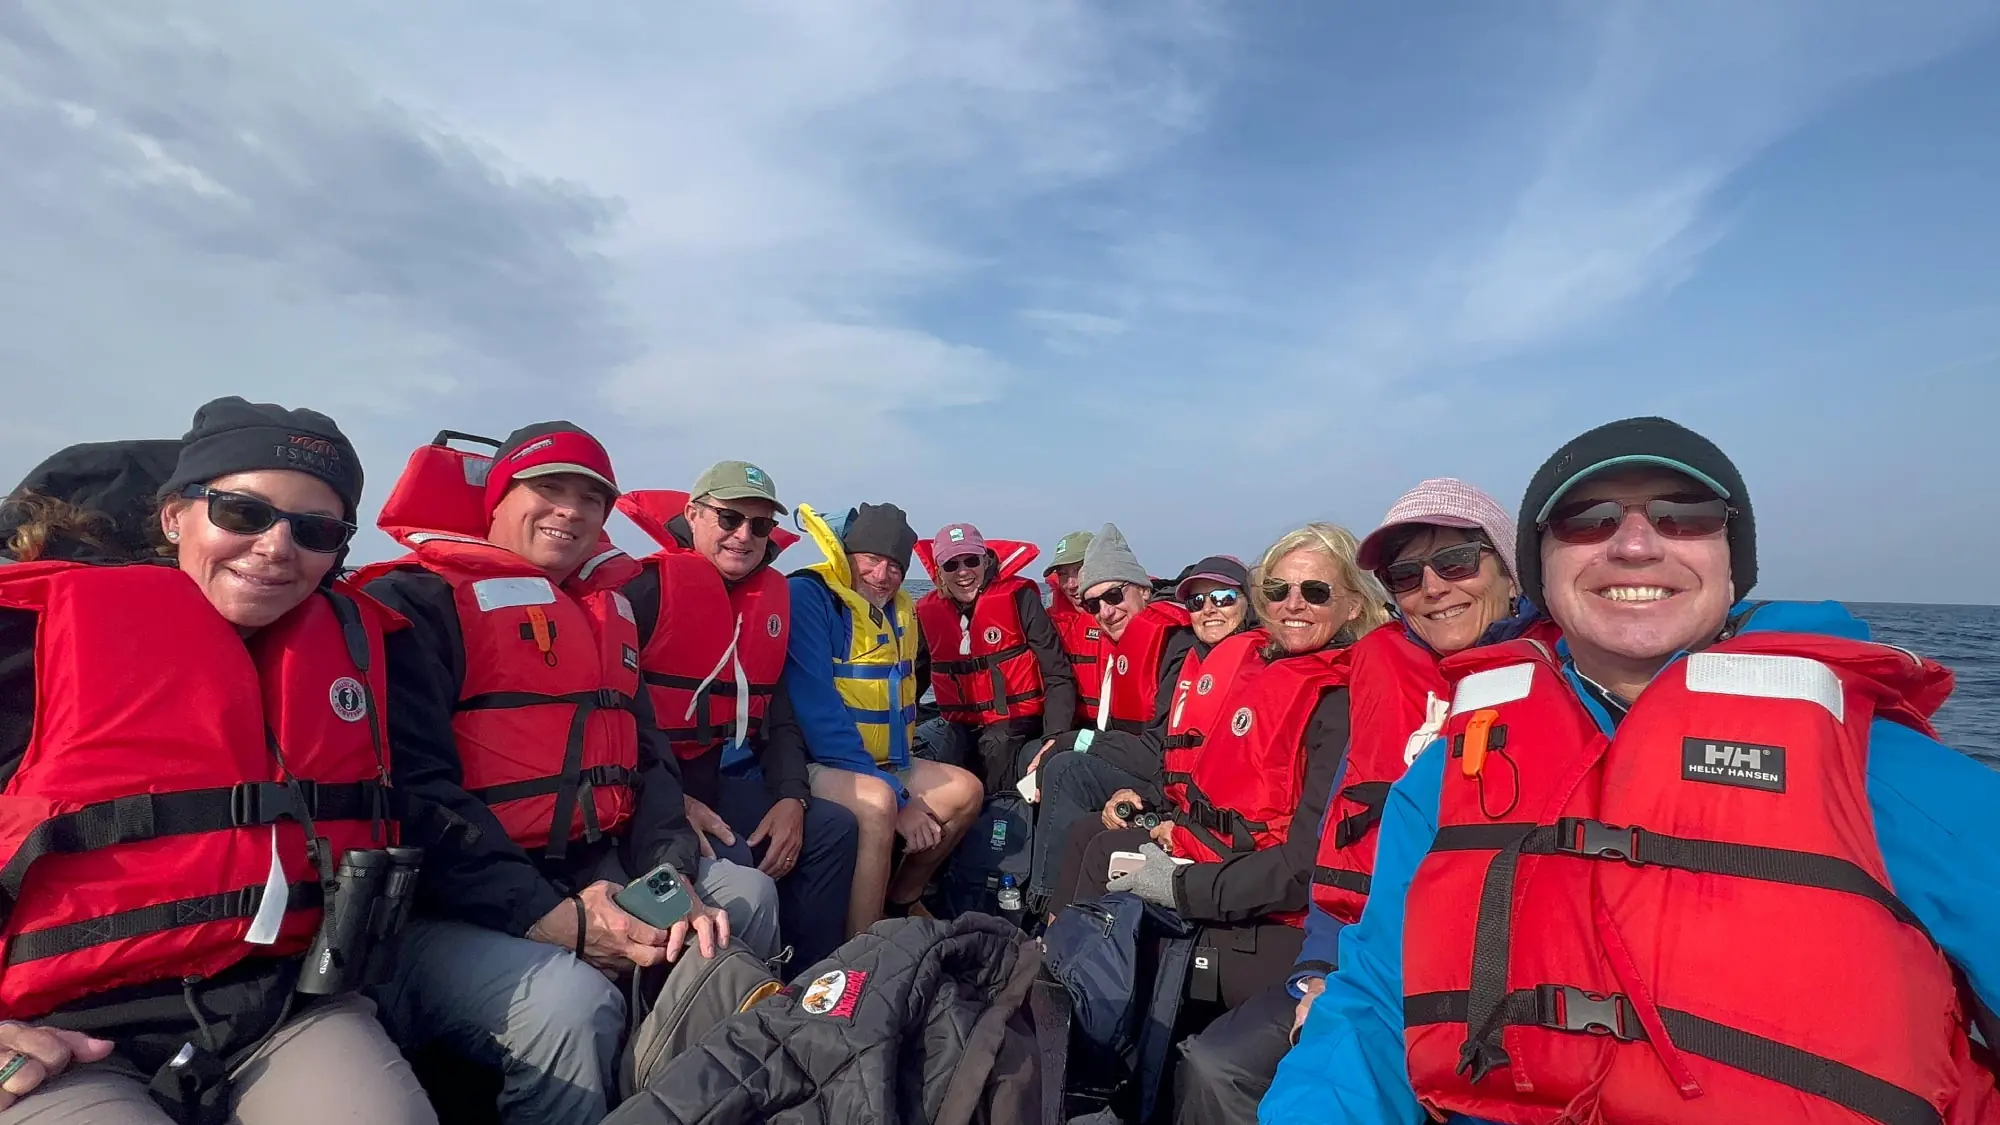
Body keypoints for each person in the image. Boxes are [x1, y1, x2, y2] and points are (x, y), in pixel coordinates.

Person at [1262, 418, 2000, 1125]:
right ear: (1543, 569)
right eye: (1588, 519)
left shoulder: (1880, 768)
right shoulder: (1448, 776)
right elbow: (1374, 1012)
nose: (1637, 544)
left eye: (1685, 514)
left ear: (1732, 560)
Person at [0, 399, 434, 1124]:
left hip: (278, 1003)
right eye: (242, 513)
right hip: (52, 1026)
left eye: (316, 529)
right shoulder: (26, 637)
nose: (275, 546)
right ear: (176, 514)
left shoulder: (358, 649)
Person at [360, 423, 779, 1125]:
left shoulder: (604, 613)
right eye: (547, 489)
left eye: (591, 498)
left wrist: (668, 876)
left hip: (593, 861)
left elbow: (648, 763)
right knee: (570, 1003)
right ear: (496, 498)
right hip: (450, 903)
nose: (571, 511)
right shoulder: (423, 604)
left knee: (748, 892)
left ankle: (695, 1098)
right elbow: (413, 792)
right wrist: (550, 917)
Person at [1178, 481, 1551, 1124]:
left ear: (1513, 576)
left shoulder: (1569, 682)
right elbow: (1338, 842)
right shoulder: (1382, 678)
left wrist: (1181, 889)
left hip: (1500, 986)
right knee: (1219, 1066)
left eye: (1458, 562)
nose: (1434, 586)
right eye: (1407, 573)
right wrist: (1320, 966)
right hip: (1361, 960)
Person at [1050, 525, 1390, 1019]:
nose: (1292, 604)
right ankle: (1063, 979)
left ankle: (1079, 1008)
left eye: (1315, 593)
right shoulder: (1265, 670)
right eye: (1278, 591)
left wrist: (1181, 887)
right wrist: (1172, 824)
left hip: (1278, 915)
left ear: (1354, 606)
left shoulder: (1342, 701)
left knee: (1118, 904)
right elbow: (1224, 786)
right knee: (1105, 853)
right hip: (1223, 859)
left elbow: (1303, 866)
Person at [613, 462, 861, 973]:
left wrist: (792, 796)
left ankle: (809, 978)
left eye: (761, 525)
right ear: (693, 515)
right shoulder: (642, 590)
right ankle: (733, 995)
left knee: (833, 826)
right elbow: (603, 717)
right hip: (638, 793)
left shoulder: (765, 603)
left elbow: (779, 716)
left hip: (709, 785)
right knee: (742, 865)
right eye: (729, 519)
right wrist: (671, 799)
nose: (744, 536)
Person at [783, 502, 984, 933]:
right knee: (879, 804)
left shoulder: (899, 610)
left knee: (966, 791)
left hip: (882, 761)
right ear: (848, 556)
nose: (883, 576)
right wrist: (903, 800)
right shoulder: (810, 597)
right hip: (816, 761)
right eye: (872, 560)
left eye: (895, 566)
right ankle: (864, 946)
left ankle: (902, 898)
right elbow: (817, 713)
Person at [1026, 555, 1255, 908]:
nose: (1106, 611)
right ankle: (1057, 929)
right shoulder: (1161, 647)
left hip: (1203, 804)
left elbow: (1163, 749)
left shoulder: (1184, 647)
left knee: (1066, 770)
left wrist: (1073, 740)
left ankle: (1046, 909)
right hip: (1170, 782)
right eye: (1093, 605)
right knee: (1043, 769)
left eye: (1115, 596)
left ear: (1145, 592)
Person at [912, 522, 1076, 794]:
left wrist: (1055, 736)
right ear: (940, 571)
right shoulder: (929, 611)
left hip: (1016, 720)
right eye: (952, 565)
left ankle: (1002, 822)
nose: (963, 572)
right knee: (947, 775)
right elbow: (916, 677)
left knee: (997, 748)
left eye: (971, 561)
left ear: (985, 560)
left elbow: (1057, 671)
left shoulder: (1019, 597)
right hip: (963, 721)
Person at [1042, 530, 1103, 728]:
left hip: (1115, 728)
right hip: (1068, 723)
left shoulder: (1123, 616)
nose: (1071, 584)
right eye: (1063, 574)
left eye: (1079, 570)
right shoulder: (1047, 622)